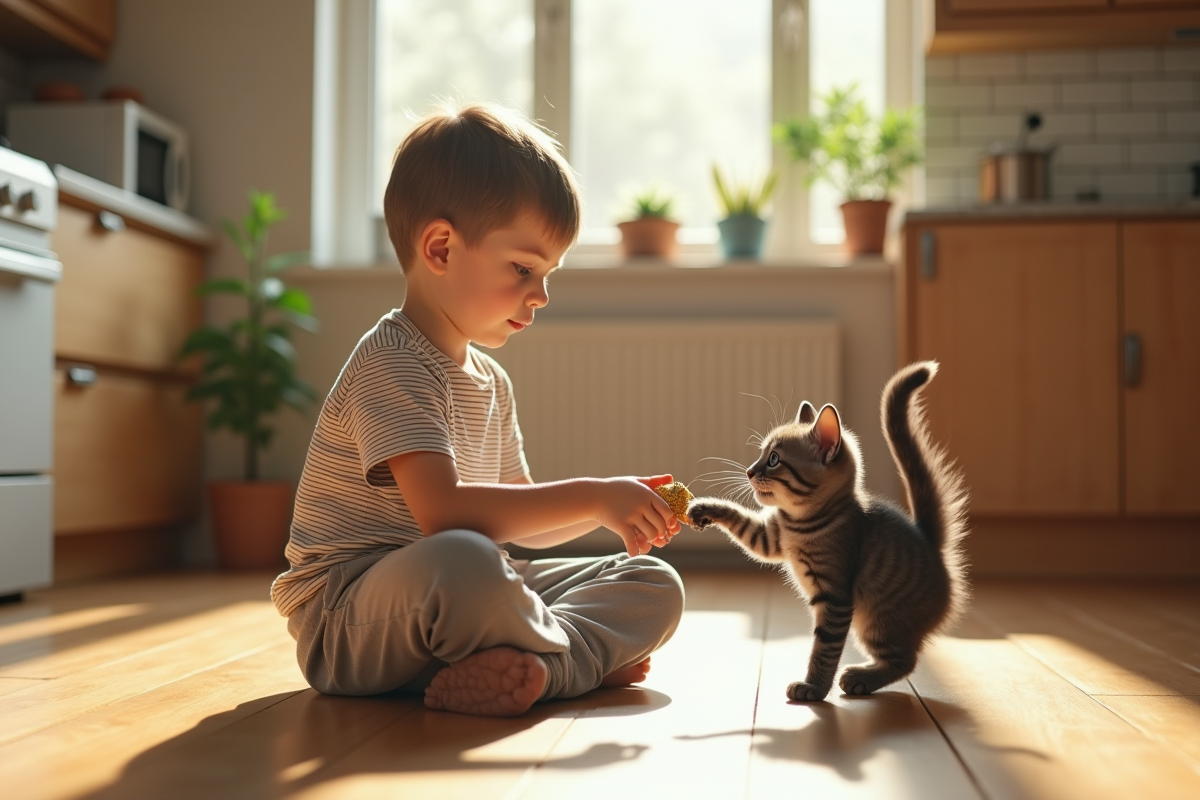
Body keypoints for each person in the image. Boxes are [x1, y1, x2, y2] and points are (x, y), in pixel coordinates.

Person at [270, 102, 685, 718]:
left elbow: (522, 525)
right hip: (348, 617)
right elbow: (444, 515)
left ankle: (531, 665)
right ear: (440, 248)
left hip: (463, 598)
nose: (540, 295)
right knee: (466, 561)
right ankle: (573, 661)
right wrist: (594, 495)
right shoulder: (391, 361)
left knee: (653, 584)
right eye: (523, 268)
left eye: (547, 274)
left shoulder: (492, 381)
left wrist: (610, 509)